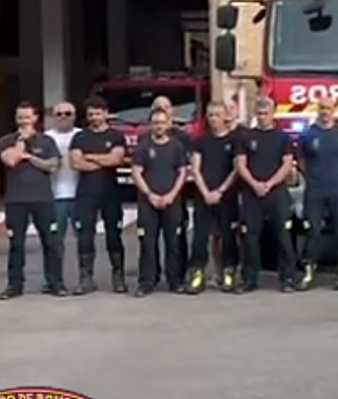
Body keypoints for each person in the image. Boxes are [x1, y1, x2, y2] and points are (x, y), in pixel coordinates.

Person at [0, 103, 65, 299]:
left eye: (26, 118)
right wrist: (21, 143)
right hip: (16, 200)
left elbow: (53, 166)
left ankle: (55, 283)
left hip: (43, 199)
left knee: (51, 243)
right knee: (16, 245)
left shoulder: (46, 141)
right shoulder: (7, 140)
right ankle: (14, 285)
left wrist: (30, 157)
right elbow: (10, 160)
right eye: (20, 118)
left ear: (35, 119)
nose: (23, 121)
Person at [236, 96, 298, 293]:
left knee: (283, 236)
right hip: (252, 193)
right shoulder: (246, 137)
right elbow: (240, 164)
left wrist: (270, 183)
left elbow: (287, 164)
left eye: (266, 114)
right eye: (259, 113)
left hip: (277, 192)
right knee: (250, 238)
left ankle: (288, 278)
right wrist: (255, 184)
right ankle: (249, 279)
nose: (262, 117)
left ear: (273, 114)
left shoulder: (282, 137)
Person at [70, 96, 127, 294]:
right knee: (85, 236)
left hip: (110, 192)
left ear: (105, 113)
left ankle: (118, 277)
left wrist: (91, 157)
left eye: (97, 113)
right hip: (86, 193)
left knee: (114, 234)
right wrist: (104, 159)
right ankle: (86, 278)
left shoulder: (117, 136)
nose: (94, 117)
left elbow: (116, 160)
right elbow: (76, 163)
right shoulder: (80, 137)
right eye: (90, 114)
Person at [297, 95, 338, 290]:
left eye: (328, 108)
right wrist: (312, 177)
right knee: (312, 231)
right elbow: (302, 161)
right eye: (321, 108)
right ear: (317, 109)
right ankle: (308, 272)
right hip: (315, 189)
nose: (325, 111)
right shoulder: (308, 134)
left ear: (334, 110)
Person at [131, 107, 188, 297]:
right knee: (147, 243)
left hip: (172, 201)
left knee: (173, 243)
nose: (159, 127)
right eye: (155, 123)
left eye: (162, 123)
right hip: (148, 203)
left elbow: (182, 173)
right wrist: (150, 195)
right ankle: (147, 281)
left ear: (169, 124)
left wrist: (172, 194)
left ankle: (175, 281)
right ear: (150, 125)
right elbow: (137, 173)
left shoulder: (176, 147)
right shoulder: (142, 147)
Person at [188, 102, 240, 294]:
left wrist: (220, 191)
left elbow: (237, 168)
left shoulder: (235, 140)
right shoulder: (200, 141)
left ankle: (228, 272)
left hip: (226, 196)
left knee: (227, 236)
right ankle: (198, 273)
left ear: (225, 116)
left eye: (217, 115)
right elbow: (195, 168)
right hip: (204, 196)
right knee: (200, 237)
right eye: (210, 115)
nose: (213, 119)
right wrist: (206, 192)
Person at [45, 102, 79, 241]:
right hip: (55, 196)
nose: (63, 117)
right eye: (59, 114)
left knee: (85, 239)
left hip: (80, 195)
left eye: (68, 113)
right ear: (53, 117)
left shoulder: (82, 135)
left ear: (74, 116)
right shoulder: (46, 138)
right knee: (55, 239)